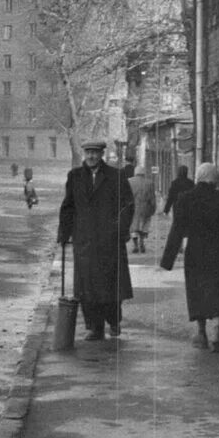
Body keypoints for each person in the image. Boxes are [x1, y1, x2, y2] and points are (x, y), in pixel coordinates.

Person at [160, 162, 219, 353]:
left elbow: (177, 230)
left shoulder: (185, 199)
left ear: (197, 177)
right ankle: (216, 332)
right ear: (215, 179)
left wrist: (167, 260)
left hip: (196, 253)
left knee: (198, 292)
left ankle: (201, 332)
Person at [57, 140, 135, 341]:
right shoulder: (75, 176)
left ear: (102, 154)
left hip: (110, 241)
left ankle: (114, 321)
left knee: (110, 286)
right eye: (88, 152)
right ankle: (94, 327)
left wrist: (120, 229)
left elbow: (128, 205)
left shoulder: (115, 176)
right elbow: (68, 206)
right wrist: (64, 235)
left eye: (95, 153)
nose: (91, 156)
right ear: (84, 153)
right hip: (85, 241)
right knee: (86, 288)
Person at [127, 165, 157, 253]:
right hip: (146, 208)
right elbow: (152, 198)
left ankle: (135, 244)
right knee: (144, 226)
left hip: (133, 208)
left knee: (133, 227)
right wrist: (153, 208)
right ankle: (142, 242)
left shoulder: (129, 181)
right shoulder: (150, 183)